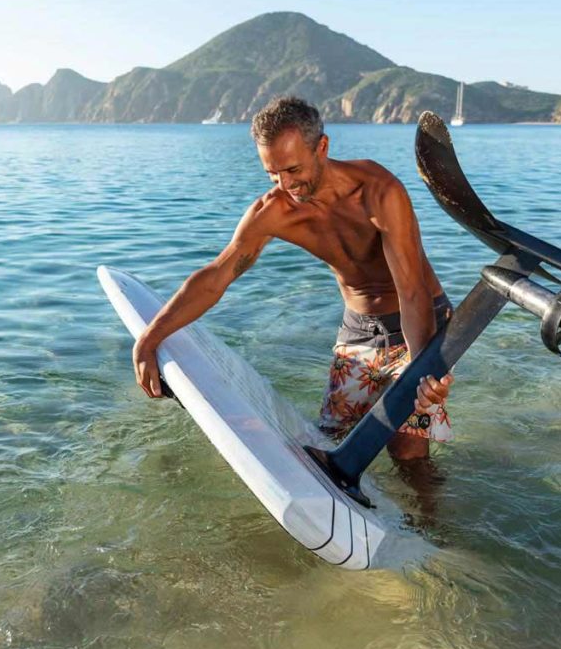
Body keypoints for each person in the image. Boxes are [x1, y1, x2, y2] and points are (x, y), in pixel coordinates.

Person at [132, 96, 453, 461]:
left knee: (406, 447)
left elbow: (412, 292)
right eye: (273, 174)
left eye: (293, 170)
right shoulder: (274, 212)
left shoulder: (377, 191)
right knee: (333, 441)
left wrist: (423, 370)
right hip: (359, 329)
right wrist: (150, 338)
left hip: (419, 317)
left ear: (323, 147)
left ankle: (426, 518)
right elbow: (215, 277)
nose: (285, 184)